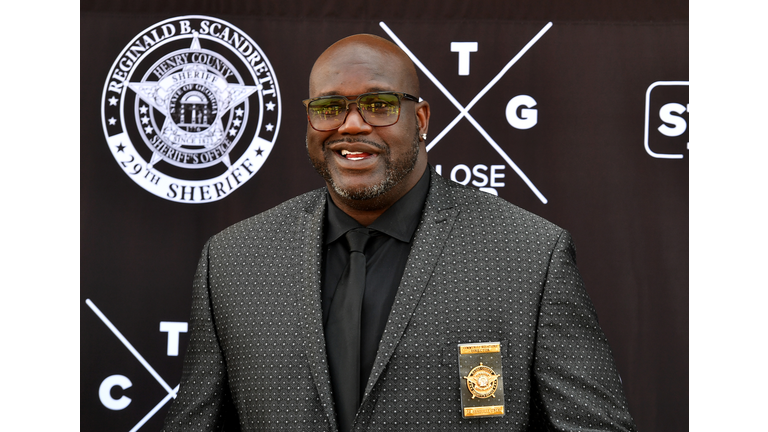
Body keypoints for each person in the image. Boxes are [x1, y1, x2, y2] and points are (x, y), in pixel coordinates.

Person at [161, 34, 637, 432]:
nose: (351, 125)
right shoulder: (234, 260)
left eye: (378, 104)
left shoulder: (528, 254)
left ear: (422, 119)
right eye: (329, 107)